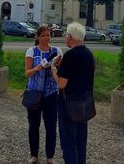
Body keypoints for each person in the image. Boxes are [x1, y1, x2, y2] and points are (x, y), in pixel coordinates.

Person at [51, 22, 96, 164]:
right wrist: (62, 67)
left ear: (70, 37)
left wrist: (54, 70)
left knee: (68, 143)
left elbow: (62, 83)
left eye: (66, 35)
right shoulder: (89, 54)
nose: (65, 38)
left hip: (69, 105)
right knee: (81, 142)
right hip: (85, 104)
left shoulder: (69, 56)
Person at [25, 24, 63, 164]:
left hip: (51, 94)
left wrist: (56, 65)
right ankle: (34, 155)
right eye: (43, 36)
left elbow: (62, 71)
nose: (46, 38)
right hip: (34, 93)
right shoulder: (31, 51)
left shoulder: (57, 50)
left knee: (51, 127)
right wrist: (38, 67)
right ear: (37, 37)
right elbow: (27, 74)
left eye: (48, 35)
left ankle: (50, 157)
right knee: (34, 126)